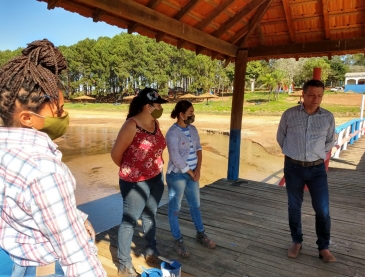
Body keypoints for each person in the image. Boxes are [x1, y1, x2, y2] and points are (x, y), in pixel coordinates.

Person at [0, 39, 107, 276]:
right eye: (58, 111)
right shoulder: (44, 169)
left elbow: (24, 204)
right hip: (45, 268)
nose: (64, 116)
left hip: (16, 262)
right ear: (28, 118)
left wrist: (76, 217)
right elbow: (76, 256)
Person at [277, 79, 336, 263]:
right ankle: (296, 241)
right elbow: (281, 138)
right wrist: (294, 154)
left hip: (317, 169)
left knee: (322, 209)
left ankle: (323, 247)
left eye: (319, 95)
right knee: (294, 207)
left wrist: (316, 155)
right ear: (302, 94)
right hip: (293, 167)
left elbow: (329, 141)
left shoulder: (328, 117)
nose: (315, 99)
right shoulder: (289, 114)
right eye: (311, 95)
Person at [111, 88, 168, 277]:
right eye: (158, 104)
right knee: (129, 222)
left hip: (156, 178)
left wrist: (155, 164)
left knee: (150, 215)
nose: (160, 107)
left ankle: (151, 250)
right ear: (147, 106)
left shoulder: (155, 123)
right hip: (135, 182)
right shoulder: (131, 125)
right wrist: (133, 169)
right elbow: (116, 155)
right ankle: (124, 265)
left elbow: (157, 148)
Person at [165, 100, 216, 258]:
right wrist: (190, 172)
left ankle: (201, 234)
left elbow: (199, 148)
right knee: (175, 209)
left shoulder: (193, 129)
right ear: (181, 115)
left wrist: (198, 169)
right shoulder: (172, 133)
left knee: (196, 206)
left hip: (193, 173)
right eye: (191, 113)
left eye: (193, 112)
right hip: (177, 176)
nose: (193, 115)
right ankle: (177, 240)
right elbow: (175, 157)